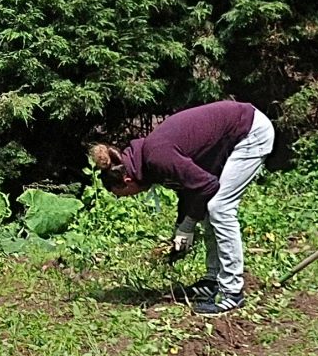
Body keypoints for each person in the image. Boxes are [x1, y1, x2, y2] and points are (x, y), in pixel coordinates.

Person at [91, 99, 275, 314]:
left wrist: (187, 226)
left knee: (220, 208)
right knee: (208, 208)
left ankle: (232, 292)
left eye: (121, 195)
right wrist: (181, 228)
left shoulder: (156, 157)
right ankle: (213, 280)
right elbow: (189, 189)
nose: (126, 198)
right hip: (238, 131)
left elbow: (207, 185)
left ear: (127, 181)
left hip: (249, 131)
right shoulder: (146, 160)